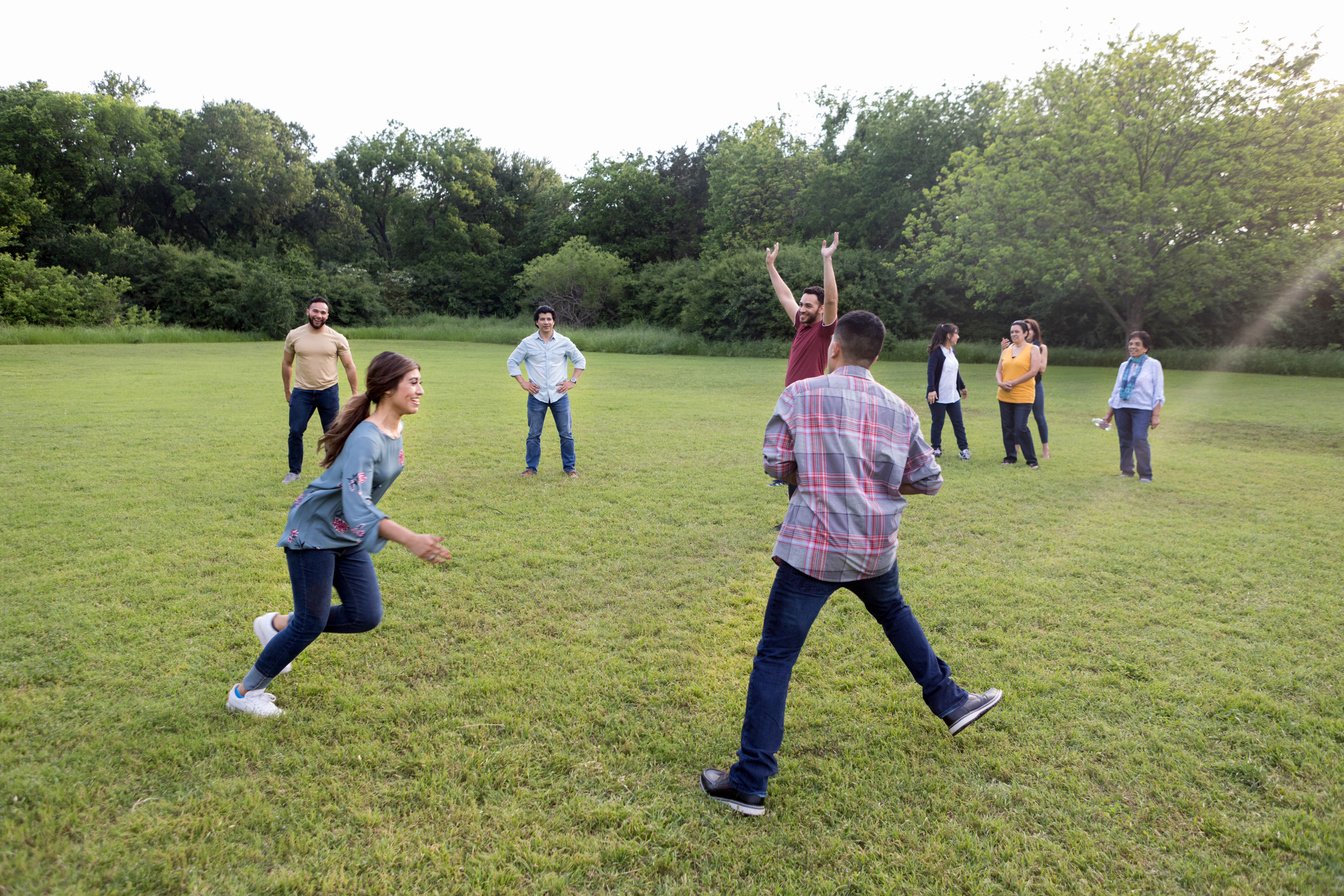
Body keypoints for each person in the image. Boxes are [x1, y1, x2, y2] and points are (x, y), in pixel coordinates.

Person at [701, 311, 1003, 817]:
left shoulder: (801, 394)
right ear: (877, 355)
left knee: (776, 657)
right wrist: (875, 484)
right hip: (873, 546)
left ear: (834, 347)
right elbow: (929, 479)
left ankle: (750, 781)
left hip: (812, 546)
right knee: (894, 613)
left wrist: (817, 473)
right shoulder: (899, 409)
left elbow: (775, 464)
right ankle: (950, 701)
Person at [227, 352, 450, 718]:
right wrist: (408, 538)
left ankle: (276, 626)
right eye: (413, 383)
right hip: (315, 530)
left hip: (346, 532)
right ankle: (244, 692)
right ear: (389, 387)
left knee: (364, 615)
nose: (420, 390)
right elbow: (358, 504)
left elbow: (357, 508)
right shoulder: (367, 438)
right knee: (310, 622)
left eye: (419, 382)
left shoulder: (394, 429)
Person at [282, 297, 359, 484]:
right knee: (295, 431)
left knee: (332, 433)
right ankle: (294, 472)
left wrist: (355, 393)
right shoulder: (294, 335)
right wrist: (287, 391)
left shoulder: (337, 338)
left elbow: (349, 366)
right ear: (308, 311)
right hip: (302, 392)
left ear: (327, 315)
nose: (319, 315)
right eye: (315, 311)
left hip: (328, 391)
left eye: (323, 312)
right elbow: (287, 363)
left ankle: (333, 471)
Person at [507, 305, 587, 478]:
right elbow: (512, 362)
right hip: (537, 395)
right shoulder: (527, 343)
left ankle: (570, 468)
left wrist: (572, 381)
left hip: (560, 395)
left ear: (554, 321)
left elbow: (580, 361)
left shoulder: (564, 342)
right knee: (534, 434)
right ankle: (531, 468)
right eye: (542, 319)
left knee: (566, 434)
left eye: (549, 319)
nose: (546, 322)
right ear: (537, 322)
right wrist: (523, 383)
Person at [766, 232, 840, 387]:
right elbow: (785, 297)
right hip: (792, 395)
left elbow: (831, 300)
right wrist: (770, 267)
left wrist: (827, 259)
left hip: (809, 395)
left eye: (808, 305)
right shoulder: (802, 324)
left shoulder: (824, 330)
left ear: (821, 309)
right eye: (801, 304)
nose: (802, 309)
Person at [1100, 330, 1165, 482]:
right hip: (1121, 407)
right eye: (1130, 344)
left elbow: (1158, 391)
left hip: (1142, 408)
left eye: (1137, 344)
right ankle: (1126, 470)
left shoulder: (1153, 365)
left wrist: (1156, 415)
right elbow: (1116, 390)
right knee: (1124, 440)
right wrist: (1109, 414)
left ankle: (1145, 474)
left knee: (1139, 438)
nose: (1132, 347)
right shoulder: (1124, 365)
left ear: (1145, 348)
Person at [995, 320, 1042, 469]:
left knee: (1020, 427)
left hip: (1023, 395)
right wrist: (1000, 383)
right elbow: (998, 371)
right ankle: (1010, 457)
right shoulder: (1006, 350)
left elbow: (1034, 371)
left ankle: (1032, 460)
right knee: (1007, 427)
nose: (1014, 334)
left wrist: (1013, 383)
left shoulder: (1033, 349)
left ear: (1025, 333)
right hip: (1004, 394)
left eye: (1017, 331)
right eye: (1012, 332)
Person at [925, 322, 970, 461]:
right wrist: (932, 389)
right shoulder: (937, 352)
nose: (958, 336)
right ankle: (936, 448)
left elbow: (955, 372)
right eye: (956, 333)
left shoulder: (952, 352)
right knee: (938, 422)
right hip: (938, 396)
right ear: (948, 335)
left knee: (958, 423)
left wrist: (962, 387)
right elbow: (931, 371)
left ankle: (964, 449)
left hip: (953, 395)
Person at [1024, 318, 1050, 459]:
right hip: (1020, 387)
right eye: (1025, 328)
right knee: (1020, 419)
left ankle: (1045, 449)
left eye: (1030, 329)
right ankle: (1017, 448)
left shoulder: (1041, 347)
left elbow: (1042, 368)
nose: (1027, 332)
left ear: (1035, 331)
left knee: (1039, 417)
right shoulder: (1017, 347)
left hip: (1036, 385)